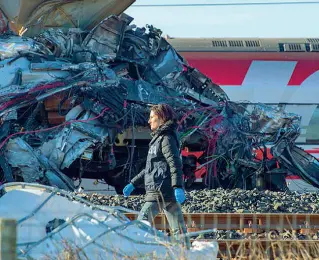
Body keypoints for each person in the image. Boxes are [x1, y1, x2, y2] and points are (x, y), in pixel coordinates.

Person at [123, 104, 191, 249]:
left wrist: (178, 186)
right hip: (165, 191)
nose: (149, 121)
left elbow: (175, 163)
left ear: (161, 119)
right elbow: (150, 169)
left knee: (141, 225)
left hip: (159, 191)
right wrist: (133, 183)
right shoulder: (159, 139)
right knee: (178, 230)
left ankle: (135, 252)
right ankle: (187, 255)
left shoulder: (165, 139)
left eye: (152, 117)